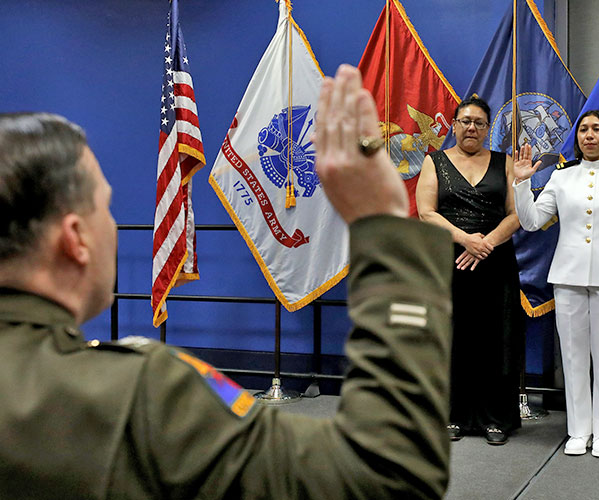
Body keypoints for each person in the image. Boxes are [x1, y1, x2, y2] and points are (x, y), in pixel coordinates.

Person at [0, 64, 454, 499]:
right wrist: (386, 226)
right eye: (106, 206)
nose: (113, 227)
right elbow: (385, 476)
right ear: (75, 238)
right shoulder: (136, 397)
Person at [512, 110, 599, 458]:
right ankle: (578, 431)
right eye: (584, 129)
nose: (590, 135)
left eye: (597, 129)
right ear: (577, 138)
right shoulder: (561, 176)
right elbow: (530, 222)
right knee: (573, 356)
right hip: (568, 276)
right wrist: (522, 183)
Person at [415, 96, 524, 446]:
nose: (471, 128)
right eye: (465, 121)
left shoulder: (504, 162)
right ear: (454, 125)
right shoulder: (435, 161)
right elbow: (426, 212)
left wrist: (485, 243)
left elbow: (517, 213)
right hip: (449, 262)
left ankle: (495, 419)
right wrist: (465, 240)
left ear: (488, 128)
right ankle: (452, 415)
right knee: (452, 337)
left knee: (496, 339)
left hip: (496, 262)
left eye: (478, 122)